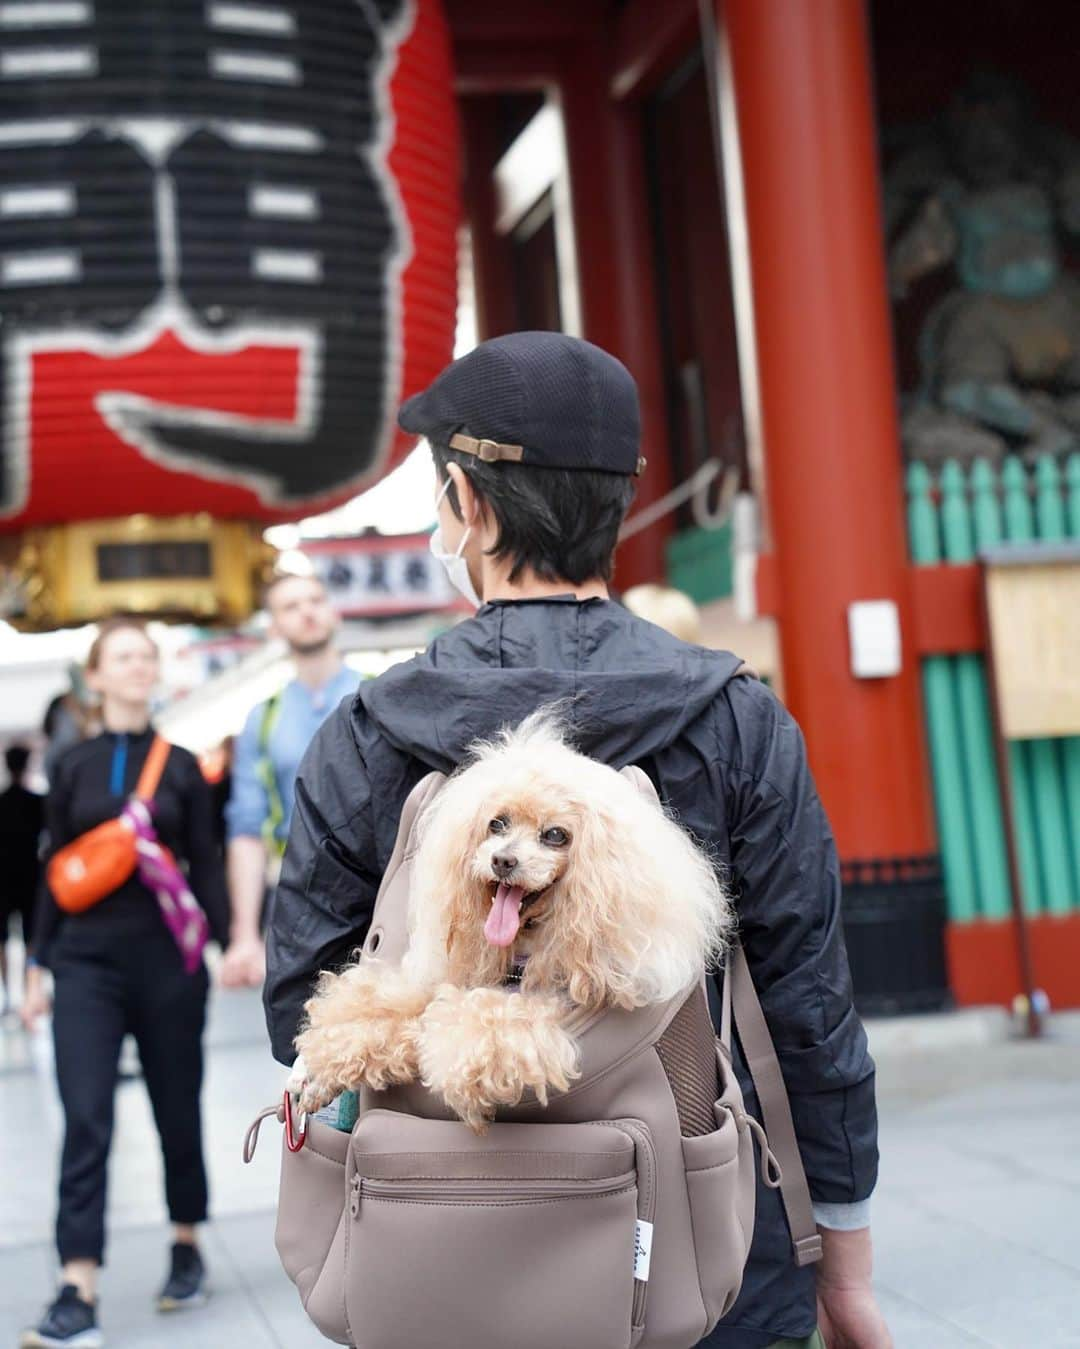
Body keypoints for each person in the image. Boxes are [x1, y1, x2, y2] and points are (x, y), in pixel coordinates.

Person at [264, 331, 891, 1349]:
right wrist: (847, 1258)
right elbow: (811, 1007)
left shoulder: (372, 729)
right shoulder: (736, 718)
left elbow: (304, 997)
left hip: (434, 1259)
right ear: (613, 506)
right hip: (708, 1252)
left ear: (468, 505)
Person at [20, 617, 232, 1349]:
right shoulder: (72, 762)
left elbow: (204, 859)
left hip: (167, 962)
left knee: (178, 1105)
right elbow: (50, 870)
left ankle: (186, 1242)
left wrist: (226, 942)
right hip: (84, 962)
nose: (139, 666)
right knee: (86, 1115)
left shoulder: (180, 764)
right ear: (97, 675)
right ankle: (77, 1285)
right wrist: (37, 963)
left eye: (147, 656)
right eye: (123, 656)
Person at [219, 572, 361, 989]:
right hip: (300, 898)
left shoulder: (380, 696)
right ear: (274, 627)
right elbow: (247, 828)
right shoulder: (263, 720)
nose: (307, 612)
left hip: (381, 890)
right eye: (290, 607)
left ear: (333, 612)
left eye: (315, 599)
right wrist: (245, 934)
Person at [0, 744, 44, 1017]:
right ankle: (30, 990)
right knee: (30, 937)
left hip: (3, 877)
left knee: (2, 939)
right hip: (29, 876)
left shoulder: (1, 802)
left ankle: (7, 994)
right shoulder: (36, 802)